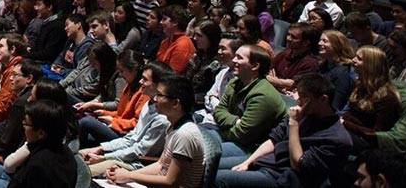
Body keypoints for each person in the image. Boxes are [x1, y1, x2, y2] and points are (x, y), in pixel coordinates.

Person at [216, 72, 352, 188]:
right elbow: (274, 139)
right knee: (210, 164)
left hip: (281, 177)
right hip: (265, 161)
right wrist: (247, 162)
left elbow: (299, 165)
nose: (298, 101)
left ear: (323, 100)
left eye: (305, 97)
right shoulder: (304, 113)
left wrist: (294, 124)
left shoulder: (336, 139)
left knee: (217, 178)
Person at [106, 75, 205, 188]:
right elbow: (161, 165)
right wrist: (125, 175)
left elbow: (171, 181)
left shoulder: (184, 135)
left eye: (160, 95)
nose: (155, 99)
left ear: (175, 103)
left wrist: (130, 176)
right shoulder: (173, 126)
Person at [79, 61, 173, 176]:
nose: (140, 81)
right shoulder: (149, 104)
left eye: (145, 79)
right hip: (125, 154)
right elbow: (131, 138)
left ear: (158, 85)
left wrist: (105, 157)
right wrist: (102, 148)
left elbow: (140, 152)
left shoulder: (162, 120)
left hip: (136, 164)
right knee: (78, 156)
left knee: (82, 172)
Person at [214, 44, 287, 163]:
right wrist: (235, 121)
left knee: (207, 156)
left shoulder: (263, 95)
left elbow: (242, 134)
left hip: (252, 148)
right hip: (230, 135)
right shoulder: (235, 83)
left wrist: (224, 126)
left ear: (255, 66)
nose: (234, 60)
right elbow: (218, 110)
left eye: (239, 57)